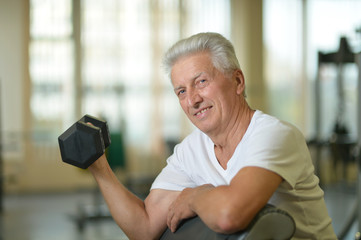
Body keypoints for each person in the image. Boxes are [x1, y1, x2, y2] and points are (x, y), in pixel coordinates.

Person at [88, 32, 337, 239]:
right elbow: (143, 227)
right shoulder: (190, 150)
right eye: (181, 91)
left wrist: (195, 195)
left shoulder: (274, 135)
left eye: (202, 81)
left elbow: (230, 215)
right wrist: (98, 166)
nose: (193, 100)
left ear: (238, 81)